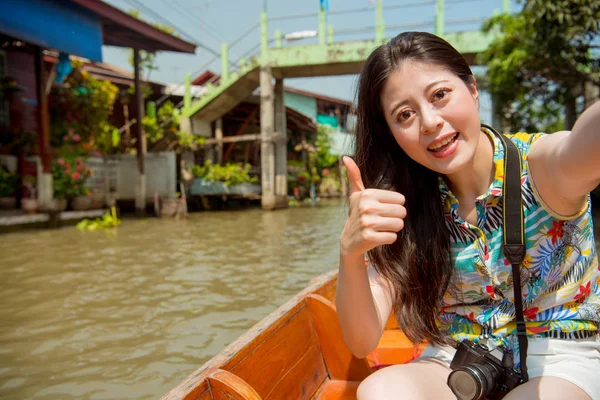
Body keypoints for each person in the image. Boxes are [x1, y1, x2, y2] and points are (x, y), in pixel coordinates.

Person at [337, 31, 600, 400]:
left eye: (440, 95)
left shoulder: (539, 168)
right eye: (405, 114)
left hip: (557, 357)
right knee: (379, 390)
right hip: (457, 358)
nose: (429, 122)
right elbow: (362, 342)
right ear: (393, 134)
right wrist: (349, 253)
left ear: (472, 89)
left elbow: (583, 147)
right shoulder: (402, 206)